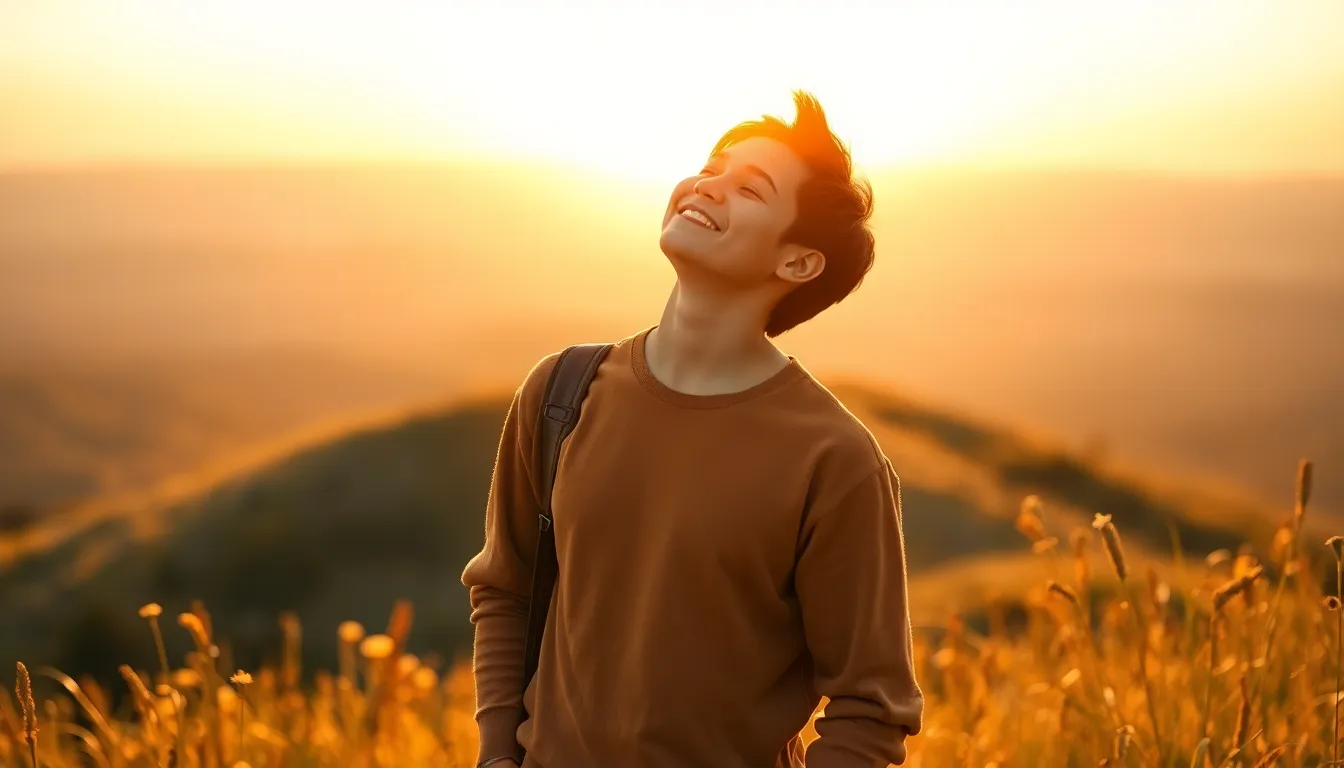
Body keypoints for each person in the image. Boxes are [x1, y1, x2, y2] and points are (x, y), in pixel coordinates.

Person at [461, 91, 924, 768]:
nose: (707, 187)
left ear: (797, 263)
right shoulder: (561, 393)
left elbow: (871, 708)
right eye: (712, 168)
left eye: (750, 188)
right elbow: (506, 589)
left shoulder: (835, 459)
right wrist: (498, 757)